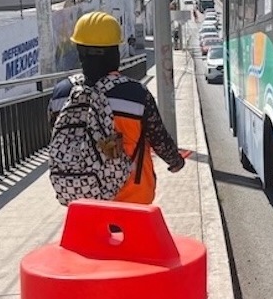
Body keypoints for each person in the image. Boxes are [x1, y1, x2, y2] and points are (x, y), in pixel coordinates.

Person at [48, 11, 185, 204]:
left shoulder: (61, 94)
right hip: (132, 198)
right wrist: (175, 162)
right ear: (115, 53)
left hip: (82, 200)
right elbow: (159, 138)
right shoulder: (136, 95)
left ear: (80, 51)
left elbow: (56, 138)